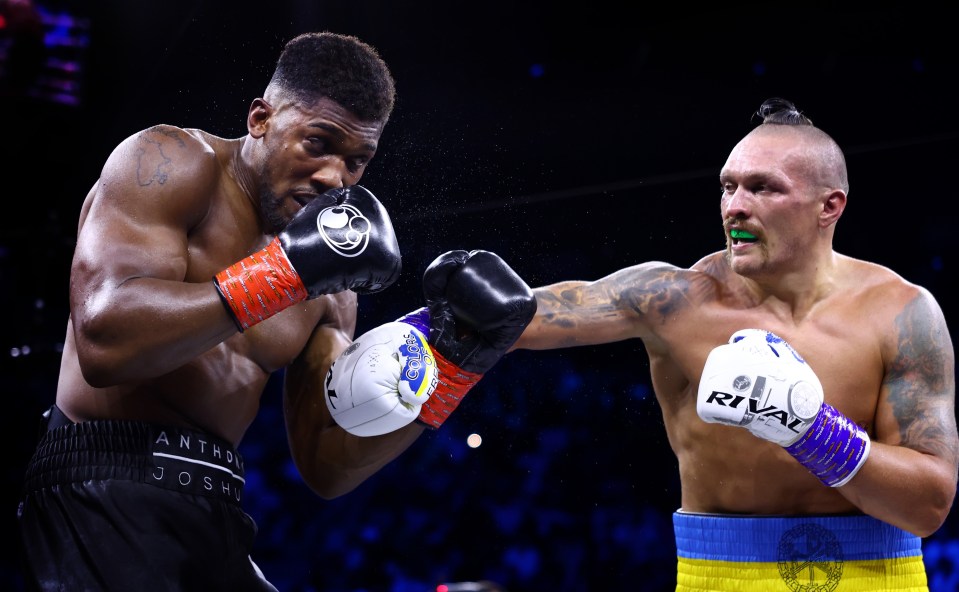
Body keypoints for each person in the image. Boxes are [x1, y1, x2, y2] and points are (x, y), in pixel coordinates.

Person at [16, 31, 536, 591]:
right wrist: (282, 275)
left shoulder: (332, 285)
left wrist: (454, 371)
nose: (336, 178)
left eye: (357, 161)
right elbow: (104, 341)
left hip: (218, 502)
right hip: (104, 478)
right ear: (261, 118)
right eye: (318, 143)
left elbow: (327, 464)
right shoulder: (170, 161)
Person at [512, 97, 958, 591]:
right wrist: (441, 315)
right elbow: (509, 319)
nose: (735, 206)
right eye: (728, 187)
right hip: (722, 575)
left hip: (879, 575)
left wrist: (813, 431)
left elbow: (929, 506)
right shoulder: (671, 299)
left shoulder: (901, 312)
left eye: (762, 188)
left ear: (829, 206)